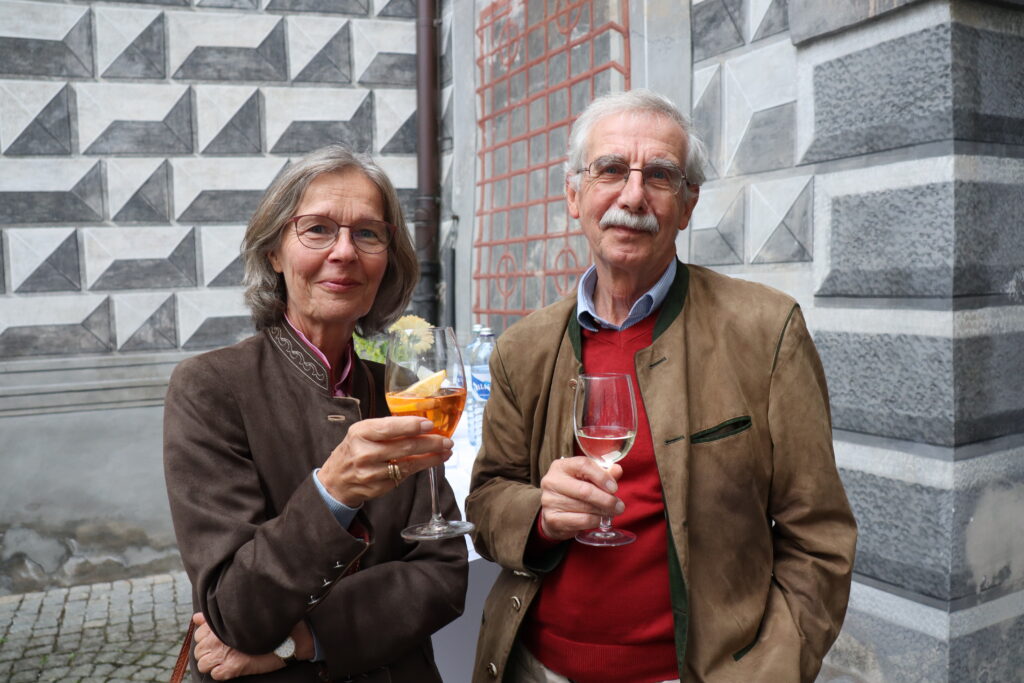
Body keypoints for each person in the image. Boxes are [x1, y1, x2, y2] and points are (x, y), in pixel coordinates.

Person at [465, 89, 857, 682]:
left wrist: (770, 673)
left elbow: (818, 538)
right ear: (574, 194)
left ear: (688, 202)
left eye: (660, 175)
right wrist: (542, 516)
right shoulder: (524, 348)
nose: (632, 195)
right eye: (611, 170)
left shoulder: (766, 330)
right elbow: (488, 498)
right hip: (537, 668)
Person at [163, 145, 468, 682]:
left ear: (387, 261)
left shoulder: (400, 394)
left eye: (368, 234)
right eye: (318, 229)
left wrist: (301, 640)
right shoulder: (211, 388)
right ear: (275, 251)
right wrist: (332, 493)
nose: (345, 252)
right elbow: (234, 612)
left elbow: (444, 578)